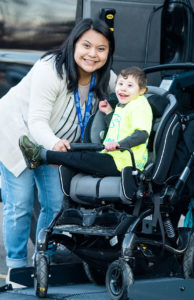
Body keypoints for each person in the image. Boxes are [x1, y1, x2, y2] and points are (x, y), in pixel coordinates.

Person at [0, 18, 116, 282]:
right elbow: (37, 120)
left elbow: (132, 97)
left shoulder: (106, 77)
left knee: (54, 204)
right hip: (18, 134)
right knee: (20, 204)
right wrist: (54, 145)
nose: (92, 54)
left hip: (55, 146)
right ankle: (17, 269)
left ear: (109, 52)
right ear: (74, 44)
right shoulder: (51, 69)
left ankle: (43, 259)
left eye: (101, 48)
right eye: (86, 45)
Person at [19, 66, 153, 180]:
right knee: (79, 151)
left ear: (142, 91)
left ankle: (41, 156)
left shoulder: (140, 105)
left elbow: (142, 134)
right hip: (112, 157)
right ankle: (42, 157)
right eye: (120, 84)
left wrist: (119, 144)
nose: (123, 89)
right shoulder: (123, 105)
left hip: (125, 163)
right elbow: (119, 126)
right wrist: (109, 113)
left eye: (130, 86)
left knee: (81, 158)